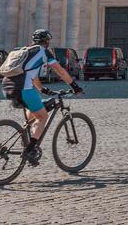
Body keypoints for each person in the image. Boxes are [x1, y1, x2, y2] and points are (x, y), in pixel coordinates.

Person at [19, 29, 82, 165]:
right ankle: (29, 150)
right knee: (43, 117)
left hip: (10, 87)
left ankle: (25, 140)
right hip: (25, 89)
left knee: (32, 117)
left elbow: (32, 74)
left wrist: (42, 89)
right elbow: (59, 70)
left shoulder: (25, 51)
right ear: (46, 42)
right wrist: (74, 86)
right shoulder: (43, 52)